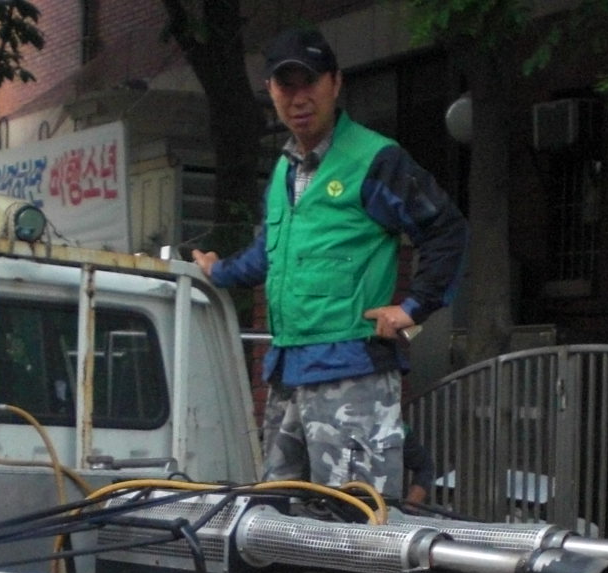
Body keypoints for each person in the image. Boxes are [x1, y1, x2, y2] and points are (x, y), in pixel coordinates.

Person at [192, 26, 467, 499]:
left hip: (351, 373)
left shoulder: (375, 159)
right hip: (287, 375)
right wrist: (219, 272)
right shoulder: (283, 169)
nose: (298, 98)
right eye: (286, 85)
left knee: (355, 527)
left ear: (336, 84)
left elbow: (445, 228)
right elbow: (270, 256)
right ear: (271, 92)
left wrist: (413, 308)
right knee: (276, 520)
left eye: (310, 83)